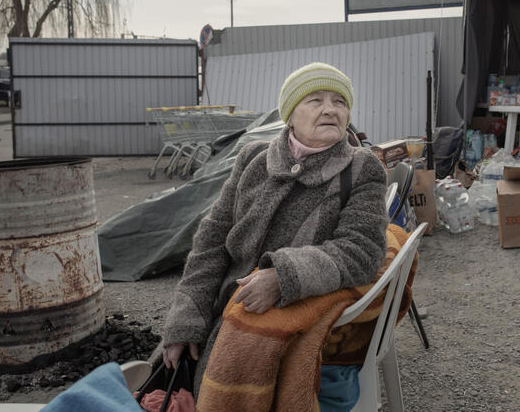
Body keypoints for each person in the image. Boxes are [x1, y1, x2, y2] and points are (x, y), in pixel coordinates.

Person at [159, 62, 388, 409]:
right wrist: (186, 320)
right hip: (225, 311)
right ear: (290, 115)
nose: (330, 109)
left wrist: (284, 276)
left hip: (292, 328)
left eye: (339, 102)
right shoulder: (252, 159)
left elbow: (362, 249)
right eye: (315, 100)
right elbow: (211, 243)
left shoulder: (361, 168)